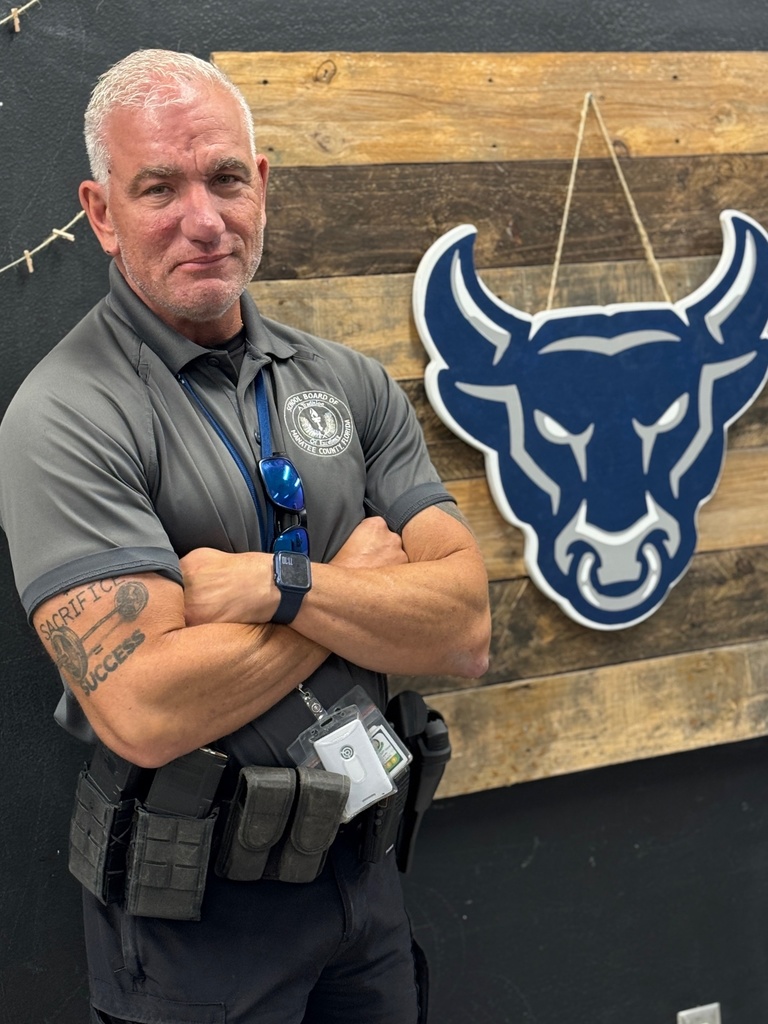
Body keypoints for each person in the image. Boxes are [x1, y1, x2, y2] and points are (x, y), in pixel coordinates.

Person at [0, 49, 491, 1024]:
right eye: (159, 188)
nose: (204, 218)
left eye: (226, 177)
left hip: (363, 875)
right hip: (197, 923)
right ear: (100, 212)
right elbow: (143, 708)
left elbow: (466, 629)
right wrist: (350, 591)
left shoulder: (345, 382)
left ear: (261, 186)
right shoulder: (66, 416)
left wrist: (279, 584)